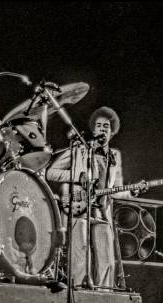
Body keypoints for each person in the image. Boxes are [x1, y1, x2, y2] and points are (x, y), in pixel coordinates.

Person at [45, 106, 136, 289]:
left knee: (107, 259)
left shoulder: (114, 156)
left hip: (102, 211)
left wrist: (132, 191)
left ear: (112, 132)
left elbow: (115, 189)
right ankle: (79, 291)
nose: (102, 129)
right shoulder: (79, 149)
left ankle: (104, 296)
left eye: (106, 127)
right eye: (99, 125)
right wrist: (76, 177)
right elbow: (51, 173)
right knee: (81, 254)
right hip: (79, 206)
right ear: (93, 130)